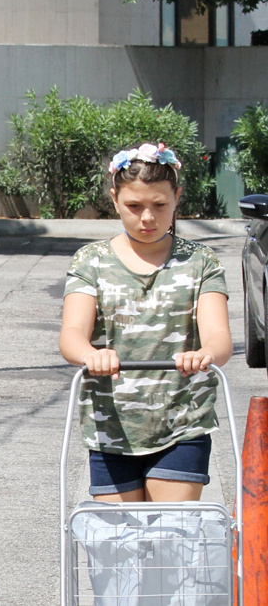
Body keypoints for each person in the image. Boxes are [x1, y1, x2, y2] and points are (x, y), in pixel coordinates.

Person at [59, 143, 232, 503]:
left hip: (182, 422)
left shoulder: (200, 261)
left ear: (177, 198)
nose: (147, 218)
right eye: (134, 207)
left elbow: (219, 337)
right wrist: (91, 354)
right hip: (111, 425)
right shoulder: (91, 260)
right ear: (115, 199)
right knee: (118, 547)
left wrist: (204, 353)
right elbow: (72, 335)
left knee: (171, 543)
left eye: (160, 206)